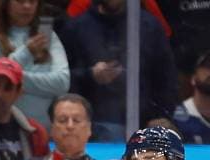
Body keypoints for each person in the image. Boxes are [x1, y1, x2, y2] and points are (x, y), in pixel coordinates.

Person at [60, 0, 176, 140]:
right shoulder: (76, 28)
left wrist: (160, 116)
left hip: (143, 125)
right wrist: (90, 75)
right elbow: (64, 79)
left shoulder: (149, 26)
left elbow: (166, 77)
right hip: (91, 127)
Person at [0, 0, 69, 128]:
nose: (27, 6)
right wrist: (26, 52)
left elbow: (62, 83)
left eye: (32, 1)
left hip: (42, 131)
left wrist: (8, 72)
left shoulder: (46, 36)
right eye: (20, 1)